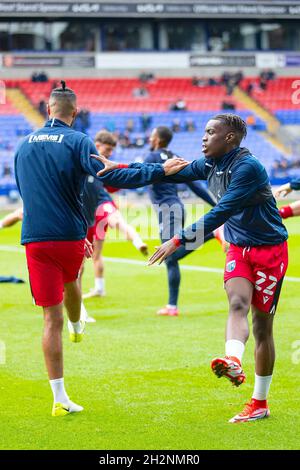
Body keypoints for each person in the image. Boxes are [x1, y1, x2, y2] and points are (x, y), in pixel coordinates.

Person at [97, 114, 288, 423]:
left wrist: (178, 239)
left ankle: (260, 401)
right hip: (239, 248)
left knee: (262, 328)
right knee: (237, 302)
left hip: (269, 252)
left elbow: (222, 211)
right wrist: (118, 167)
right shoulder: (210, 164)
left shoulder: (248, 168)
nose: (203, 138)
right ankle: (233, 361)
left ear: (229, 138)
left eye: (210, 132)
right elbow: (164, 173)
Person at [14, 80, 188, 417]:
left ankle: (59, 399)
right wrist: (159, 171)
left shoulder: (23, 145)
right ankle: (78, 324)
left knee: (50, 319)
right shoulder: (78, 140)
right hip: (70, 235)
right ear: (75, 113)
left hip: (35, 237)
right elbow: (113, 175)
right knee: (73, 282)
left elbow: (25, 190)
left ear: (48, 109)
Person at [144, 126, 223, 316]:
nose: (149, 138)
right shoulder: (176, 157)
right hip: (176, 208)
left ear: (157, 139)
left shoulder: (151, 158)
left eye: (152, 135)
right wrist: (216, 204)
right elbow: (196, 186)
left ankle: (213, 233)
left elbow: (139, 176)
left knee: (169, 256)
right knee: (170, 259)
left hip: (167, 209)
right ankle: (172, 306)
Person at [81, 130, 148, 301]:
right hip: (90, 209)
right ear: (97, 145)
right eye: (108, 149)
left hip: (98, 205)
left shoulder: (96, 163)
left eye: (111, 150)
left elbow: (113, 185)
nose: (109, 153)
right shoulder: (86, 160)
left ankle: (138, 241)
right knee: (96, 254)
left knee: (116, 221)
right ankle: (99, 288)